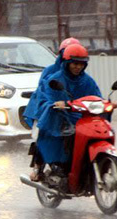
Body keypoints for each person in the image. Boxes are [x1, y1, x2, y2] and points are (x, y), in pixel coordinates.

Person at [31, 44, 102, 180]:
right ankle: (57, 166)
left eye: (81, 64)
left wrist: (106, 104)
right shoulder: (54, 78)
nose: (78, 67)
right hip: (60, 117)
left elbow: (96, 96)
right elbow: (47, 96)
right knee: (66, 135)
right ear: (66, 62)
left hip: (82, 117)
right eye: (74, 63)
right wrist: (55, 104)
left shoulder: (87, 81)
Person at [23, 37, 82, 181]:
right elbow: (45, 91)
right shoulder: (51, 72)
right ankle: (38, 168)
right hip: (46, 110)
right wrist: (53, 104)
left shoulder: (81, 76)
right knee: (43, 134)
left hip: (70, 111)